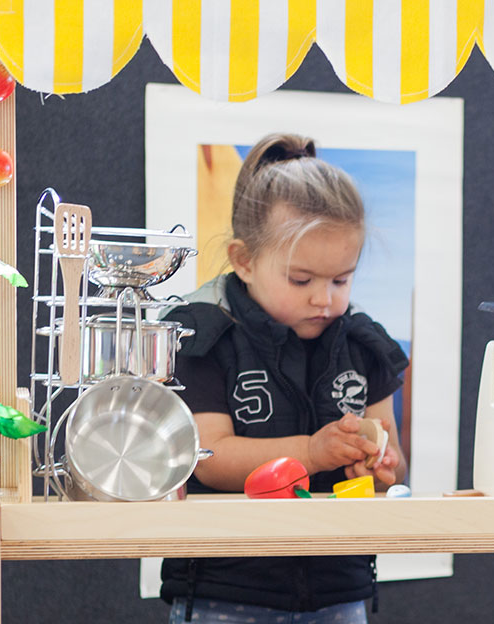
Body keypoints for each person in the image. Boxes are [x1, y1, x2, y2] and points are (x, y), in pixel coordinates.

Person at [160, 133, 409, 624]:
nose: (325, 299)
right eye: (303, 280)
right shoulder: (204, 336)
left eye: (342, 279)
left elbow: (391, 465)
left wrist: (378, 466)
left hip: (340, 591)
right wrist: (313, 453)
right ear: (244, 260)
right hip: (223, 589)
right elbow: (209, 458)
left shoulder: (363, 345)